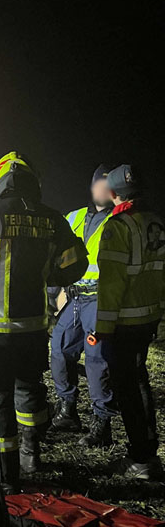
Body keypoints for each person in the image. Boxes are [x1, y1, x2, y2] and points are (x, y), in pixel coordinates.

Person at [0, 152, 88, 490]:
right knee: (28, 389)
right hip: (33, 331)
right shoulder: (52, 218)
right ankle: (31, 450)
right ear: (32, 181)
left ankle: (4, 480)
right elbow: (76, 264)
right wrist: (48, 273)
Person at [94, 164, 165, 481]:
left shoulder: (118, 226)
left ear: (112, 192)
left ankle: (142, 459)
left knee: (129, 389)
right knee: (139, 382)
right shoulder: (156, 222)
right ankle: (145, 452)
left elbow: (111, 287)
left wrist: (102, 330)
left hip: (123, 323)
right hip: (149, 317)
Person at [50, 165, 117, 446]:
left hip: (101, 299)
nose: (100, 188)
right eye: (97, 183)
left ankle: (101, 424)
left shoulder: (120, 219)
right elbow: (56, 253)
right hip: (73, 297)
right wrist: (54, 291)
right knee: (60, 350)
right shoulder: (74, 216)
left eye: (106, 183)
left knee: (97, 360)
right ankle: (68, 411)